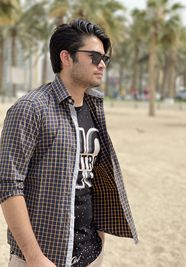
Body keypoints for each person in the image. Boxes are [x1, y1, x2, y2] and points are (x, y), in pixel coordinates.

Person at [0, 19, 138, 267]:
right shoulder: (31, 109)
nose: (102, 64)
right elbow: (9, 184)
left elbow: (91, 177)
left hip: (90, 252)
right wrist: (34, 256)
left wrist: (99, 235)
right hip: (44, 256)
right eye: (95, 56)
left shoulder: (93, 108)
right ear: (66, 57)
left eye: (105, 58)